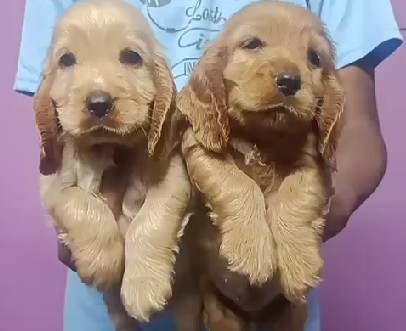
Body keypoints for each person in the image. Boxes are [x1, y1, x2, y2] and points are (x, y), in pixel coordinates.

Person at [14, 0, 402, 330]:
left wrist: (303, 222)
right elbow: (58, 137)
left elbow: (358, 134)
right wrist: (83, 226)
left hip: (270, 305)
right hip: (109, 309)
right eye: (253, 45)